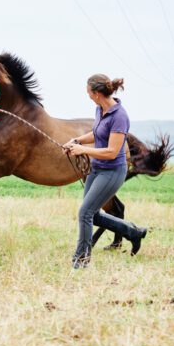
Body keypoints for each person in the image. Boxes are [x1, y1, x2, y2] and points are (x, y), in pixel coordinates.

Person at [63, 74, 147, 269]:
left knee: (85, 212)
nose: (88, 96)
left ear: (97, 93)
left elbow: (111, 152)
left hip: (113, 171)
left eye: (89, 93)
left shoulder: (120, 116)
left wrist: (83, 150)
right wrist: (76, 141)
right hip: (97, 168)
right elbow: (97, 132)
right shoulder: (100, 109)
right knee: (93, 214)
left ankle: (81, 259)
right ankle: (133, 232)